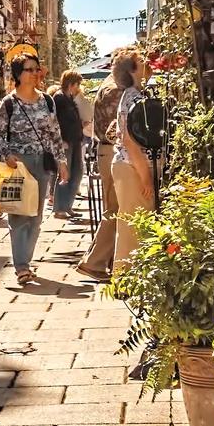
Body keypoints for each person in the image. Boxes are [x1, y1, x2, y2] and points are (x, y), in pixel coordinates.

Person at [0, 56, 66, 288]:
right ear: (18, 74)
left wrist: (61, 162)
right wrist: (7, 155)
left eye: (37, 69)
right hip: (19, 164)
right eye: (29, 70)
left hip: (42, 163)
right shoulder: (9, 103)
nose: (35, 73)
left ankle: (26, 261)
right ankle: (21, 265)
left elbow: (54, 134)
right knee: (19, 215)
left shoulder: (47, 101)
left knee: (35, 216)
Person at [75, 56, 133, 279]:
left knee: (114, 208)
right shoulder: (117, 90)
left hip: (106, 151)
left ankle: (102, 260)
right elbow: (117, 128)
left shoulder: (108, 85)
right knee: (116, 209)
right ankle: (95, 262)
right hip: (112, 152)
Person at [110, 52, 165, 269]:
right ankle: (125, 279)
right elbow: (130, 142)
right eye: (140, 62)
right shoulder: (133, 97)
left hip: (129, 167)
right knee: (133, 225)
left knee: (132, 224)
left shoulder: (133, 95)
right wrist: (145, 178)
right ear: (132, 70)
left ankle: (126, 278)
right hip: (133, 168)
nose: (145, 65)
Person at [51, 70, 89, 221]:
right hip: (66, 141)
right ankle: (60, 208)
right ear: (71, 84)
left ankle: (67, 205)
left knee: (77, 172)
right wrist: (61, 140)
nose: (78, 87)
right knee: (65, 174)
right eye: (77, 84)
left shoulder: (70, 98)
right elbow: (56, 121)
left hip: (75, 139)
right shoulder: (59, 98)